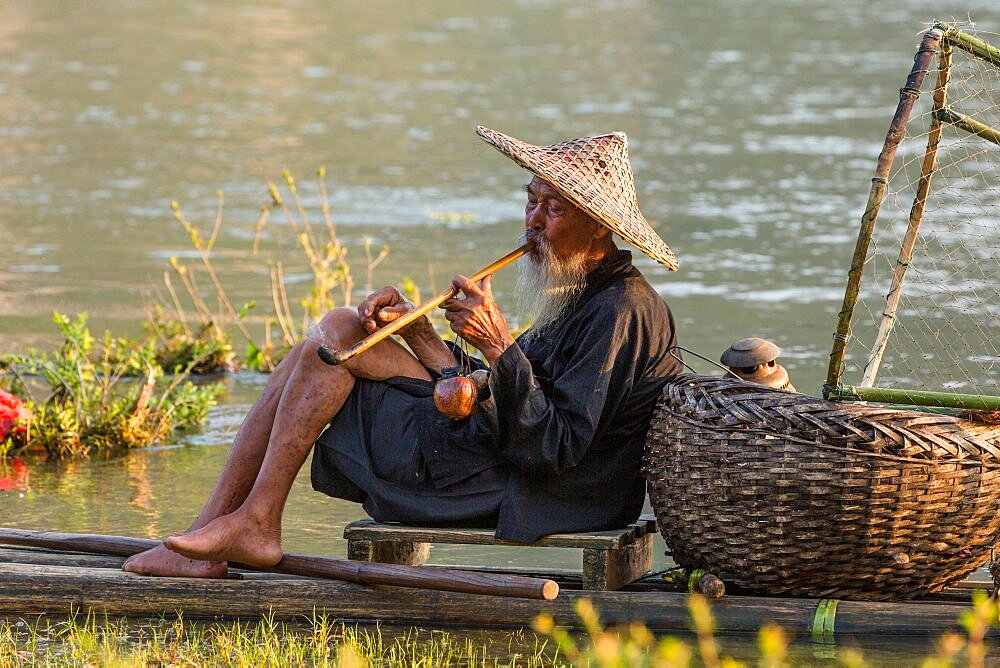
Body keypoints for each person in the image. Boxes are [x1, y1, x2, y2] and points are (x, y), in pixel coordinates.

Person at [123, 125, 683, 578]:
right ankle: (231, 523)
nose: (532, 222)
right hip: (506, 458)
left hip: (541, 492)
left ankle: (255, 523)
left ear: (599, 226)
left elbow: (554, 447)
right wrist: (420, 333)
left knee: (331, 359)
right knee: (342, 331)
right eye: (531, 201)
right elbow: (492, 392)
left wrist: (497, 343)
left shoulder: (622, 311)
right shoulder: (579, 291)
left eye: (554, 210)